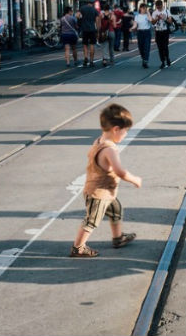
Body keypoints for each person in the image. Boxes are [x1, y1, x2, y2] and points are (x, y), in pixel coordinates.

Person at [69, 103, 142, 258]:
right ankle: (78, 247)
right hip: (98, 193)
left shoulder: (99, 141)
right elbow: (120, 172)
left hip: (106, 192)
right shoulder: (109, 149)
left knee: (116, 211)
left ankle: (118, 238)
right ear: (116, 129)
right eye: (125, 131)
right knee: (92, 221)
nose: (126, 134)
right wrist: (134, 179)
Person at [79, 0, 100, 67]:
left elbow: (77, 15)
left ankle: (85, 57)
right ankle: (91, 61)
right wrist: (98, 30)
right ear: (92, 3)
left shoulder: (82, 8)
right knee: (92, 45)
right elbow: (97, 20)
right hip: (92, 29)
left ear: (87, 3)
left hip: (84, 29)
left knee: (85, 44)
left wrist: (80, 22)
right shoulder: (94, 10)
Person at [152, 0, 172, 69]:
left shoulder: (166, 11)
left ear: (162, 5)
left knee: (165, 46)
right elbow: (152, 22)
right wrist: (157, 18)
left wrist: (164, 18)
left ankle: (167, 58)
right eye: (157, 7)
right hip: (158, 31)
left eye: (159, 7)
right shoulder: (154, 13)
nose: (159, 9)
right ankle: (163, 62)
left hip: (165, 31)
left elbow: (170, 21)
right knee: (160, 47)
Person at [134, 3, 152, 68]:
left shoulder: (147, 15)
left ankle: (145, 61)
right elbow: (135, 25)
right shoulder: (137, 16)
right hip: (140, 33)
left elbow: (151, 20)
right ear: (140, 8)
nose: (144, 9)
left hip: (147, 32)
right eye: (143, 8)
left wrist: (148, 12)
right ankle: (143, 58)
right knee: (141, 47)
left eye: (145, 8)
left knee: (146, 47)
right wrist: (132, 28)